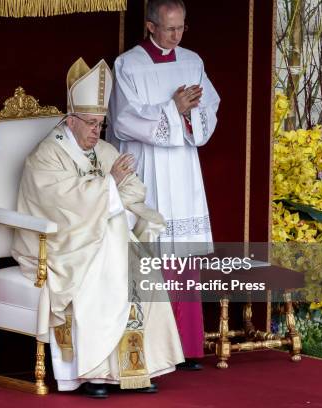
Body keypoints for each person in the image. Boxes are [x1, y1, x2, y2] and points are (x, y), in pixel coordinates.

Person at [12, 58, 184, 398]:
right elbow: (59, 203)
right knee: (107, 265)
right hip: (60, 245)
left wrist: (113, 187)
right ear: (70, 120)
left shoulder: (102, 151)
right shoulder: (46, 156)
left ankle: (134, 369)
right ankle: (93, 372)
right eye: (90, 124)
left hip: (103, 239)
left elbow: (134, 189)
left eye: (101, 125)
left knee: (139, 265)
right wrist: (109, 186)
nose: (96, 131)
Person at [107, 0, 220, 371]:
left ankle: (187, 346)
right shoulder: (129, 64)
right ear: (151, 26)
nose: (176, 35)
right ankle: (157, 349)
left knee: (183, 254)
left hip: (183, 167)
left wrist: (190, 115)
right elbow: (124, 120)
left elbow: (210, 108)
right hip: (148, 166)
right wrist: (173, 109)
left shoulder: (193, 61)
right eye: (169, 28)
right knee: (153, 249)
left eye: (181, 27)